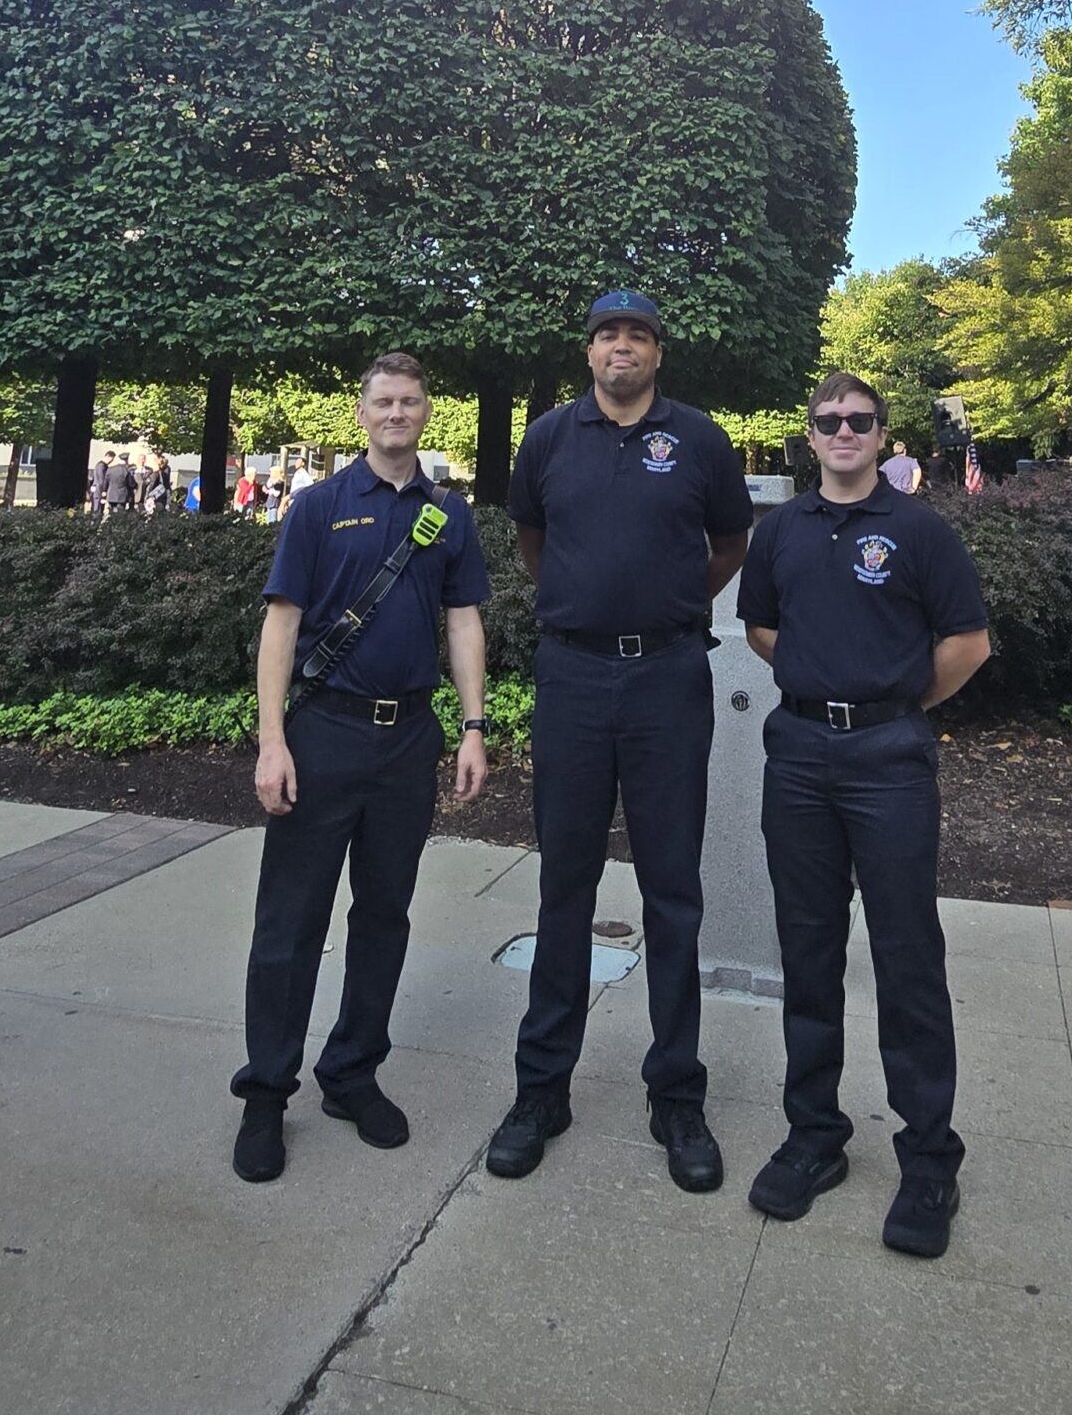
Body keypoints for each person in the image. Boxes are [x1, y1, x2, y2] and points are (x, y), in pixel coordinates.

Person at [485, 290, 753, 1195]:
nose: (621, 348)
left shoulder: (701, 440)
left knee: (672, 887)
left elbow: (729, 542)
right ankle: (542, 1091)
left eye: (637, 335)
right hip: (571, 678)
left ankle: (676, 1094)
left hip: (670, 678)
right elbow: (534, 540)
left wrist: (666, 602)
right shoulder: (550, 439)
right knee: (565, 882)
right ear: (590, 350)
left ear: (656, 353)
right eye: (608, 335)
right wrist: (586, 610)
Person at [739, 370, 991, 1259]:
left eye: (860, 421)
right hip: (800, 756)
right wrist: (826, 683)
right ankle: (814, 1137)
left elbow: (967, 643)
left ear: (881, 436)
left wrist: (892, 702)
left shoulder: (919, 531)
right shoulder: (780, 534)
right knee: (806, 951)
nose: (844, 432)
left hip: (890, 761)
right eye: (828, 421)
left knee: (906, 955)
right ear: (808, 436)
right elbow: (763, 630)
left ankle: (928, 1158)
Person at [230, 352, 490, 1184]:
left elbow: (463, 623)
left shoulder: (449, 517)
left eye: (410, 402)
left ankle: (351, 1073)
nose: (396, 414)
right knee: (291, 923)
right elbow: (280, 628)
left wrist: (473, 728)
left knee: (384, 915)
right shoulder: (316, 508)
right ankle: (267, 1091)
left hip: (408, 740)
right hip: (325, 736)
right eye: (383, 401)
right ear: (360, 412)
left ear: (425, 413)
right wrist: (272, 739)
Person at [103, 449, 135, 516]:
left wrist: (104, 491)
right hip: (122, 496)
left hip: (111, 495)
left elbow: (105, 481)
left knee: (111, 513)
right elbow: (131, 484)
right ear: (126, 460)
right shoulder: (126, 470)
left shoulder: (110, 469)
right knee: (120, 514)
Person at [90, 452, 110, 522]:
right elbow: (102, 479)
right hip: (99, 490)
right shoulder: (102, 466)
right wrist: (104, 490)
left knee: (97, 507)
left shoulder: (99, 465)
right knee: (97, 508)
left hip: (97, 489)